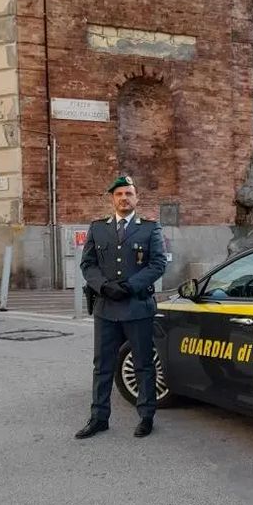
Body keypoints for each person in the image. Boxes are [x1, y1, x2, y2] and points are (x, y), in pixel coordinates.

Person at [75, 175, 167, 439]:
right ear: (112, 199)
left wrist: (129, 286)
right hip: (106, 308)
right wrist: (103, 286)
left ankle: (146, 416)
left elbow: (158, 264)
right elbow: (88, 264)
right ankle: (98, 418)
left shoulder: (150, 228)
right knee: (102, 366)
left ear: (137, 198)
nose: (124, 198)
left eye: (128, 194)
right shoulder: (98, 228)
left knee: (143, 364)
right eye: (119, 194)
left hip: (137, 307)